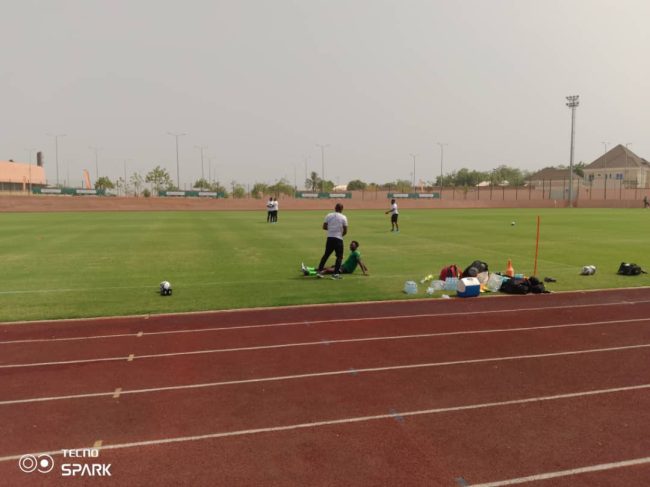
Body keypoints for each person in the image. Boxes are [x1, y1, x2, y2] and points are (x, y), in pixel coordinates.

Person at [302, 240, 368, 276]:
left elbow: (359, 262)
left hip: (345, 269)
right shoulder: (355, 252)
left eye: (352, 245)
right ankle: (309, 268)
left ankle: (308, 272)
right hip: (343, 266)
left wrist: (364, 272)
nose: (350, 246)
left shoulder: (356, 253)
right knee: (327, 267)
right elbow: (360, 261)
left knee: (327, 270)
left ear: (356, 246)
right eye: (350, 245)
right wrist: (365, 268)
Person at [316, 203, 347, 279]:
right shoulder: (343, 217)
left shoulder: (329, 215)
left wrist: (331, 230)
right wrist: (340, 235)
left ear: (335, 208)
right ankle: (335, 274)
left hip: (330, 238)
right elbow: (345, 230)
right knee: (339, 257)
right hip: (338, 239)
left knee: (326, 255)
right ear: (342, 209)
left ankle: (319, 272)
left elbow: (324, 227)